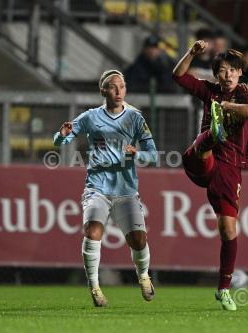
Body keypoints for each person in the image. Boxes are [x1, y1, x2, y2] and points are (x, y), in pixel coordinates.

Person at [53, 70, 158, 307]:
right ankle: (95, 287)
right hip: (97, 187)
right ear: (103, 91)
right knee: (92, 232)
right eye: (113, 87)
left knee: (139, 240)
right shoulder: (90, 117)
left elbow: (152, 154)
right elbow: (62, 139)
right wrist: (62, 136)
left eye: (122, 86)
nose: (119, 91)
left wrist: (138, 153)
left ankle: (143, 275)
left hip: (126, 190)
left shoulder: (135, 118)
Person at [173, 41, 248, 311]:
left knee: (228, 229)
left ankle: (224, 289)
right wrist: (192, 53)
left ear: (240, 73)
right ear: (216, 74)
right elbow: (178, 75)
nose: (228, 75)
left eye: (233, 70)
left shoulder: (245, 93)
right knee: (201, 148)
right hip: (203, 162)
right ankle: (211, 136)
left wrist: (226, 108)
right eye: (222, 70)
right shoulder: (208, 91)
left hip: (230, 168)